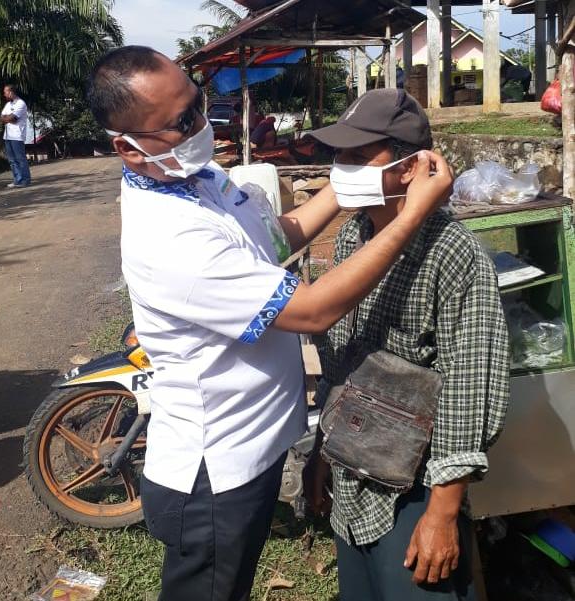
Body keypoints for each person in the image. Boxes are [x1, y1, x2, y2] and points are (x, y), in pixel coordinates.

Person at [86, 46, 452, 601]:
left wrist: (346, 184)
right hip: (214, 475)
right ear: (127, 148)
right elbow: (312, 309)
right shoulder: (169, 239)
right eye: (181, 123)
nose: (201, 126)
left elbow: (272, 238)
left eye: (199, 104)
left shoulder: (195, 177)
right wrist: (412, 215)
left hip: (250, 451)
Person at [303, 89, 510, 601]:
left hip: (415, 487)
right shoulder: (354, 238)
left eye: (358, 157)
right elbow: (343, 356)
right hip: (352, 468)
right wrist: (324, 451)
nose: (342, 169)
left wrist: (442, 512)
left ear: (410, 167)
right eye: (339, 156)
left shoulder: (453, 253)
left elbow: (469, 386)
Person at [0, 84, 31, 188]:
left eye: (5, 92)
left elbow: (13, 119)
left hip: (17, 135)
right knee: (12, 160)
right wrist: (7, 118)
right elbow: (1, 118)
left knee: (20, 158)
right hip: (8, 136)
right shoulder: (8, 104)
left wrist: (8, 118)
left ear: (11, 92)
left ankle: (25, 180)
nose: (4, 94)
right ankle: (17, 180)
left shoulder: (21, 103)